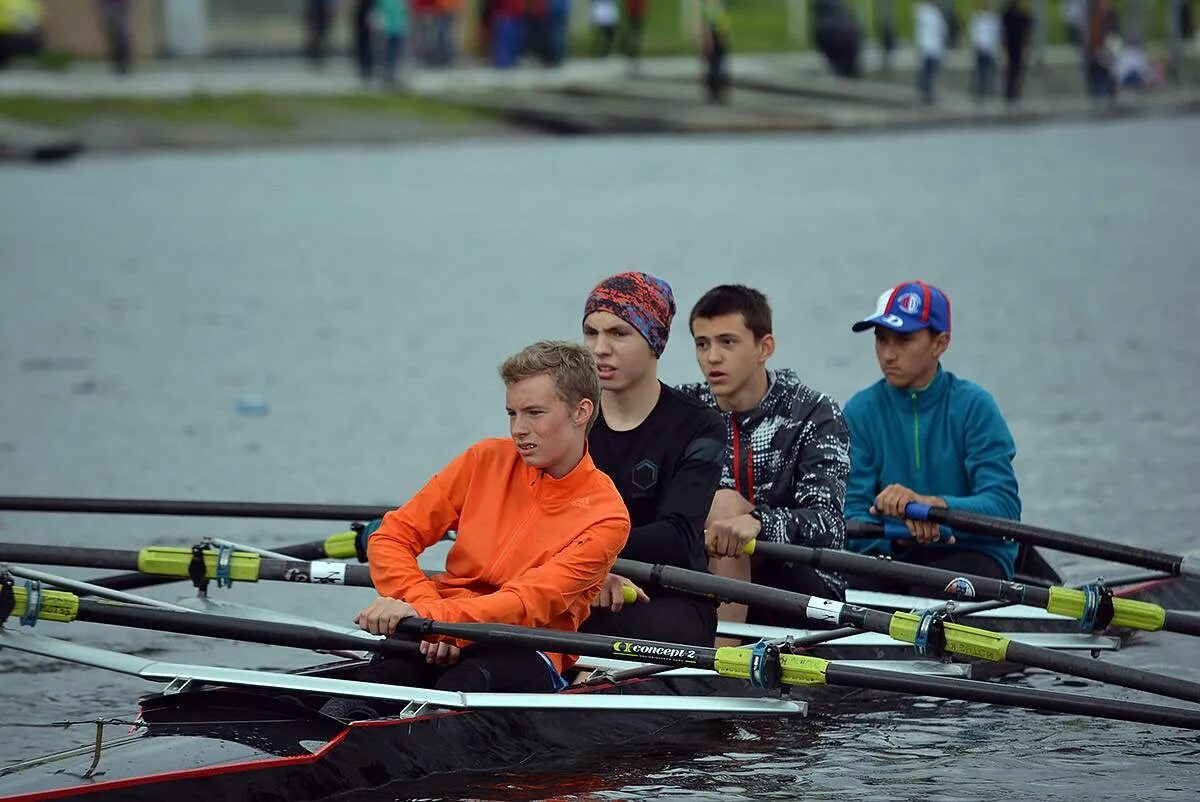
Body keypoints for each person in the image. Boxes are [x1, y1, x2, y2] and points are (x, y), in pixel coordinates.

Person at [330, 341, 630, 717]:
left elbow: (525, 604)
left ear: (581, 412)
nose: (519, 430)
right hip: (437, 624)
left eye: (534, 413)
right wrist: (430, 618)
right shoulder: (483, 460)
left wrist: (438, 623)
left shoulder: (606, 516)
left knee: (461, 689)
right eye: (512, 413)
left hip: (526, 644)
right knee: (360, 693)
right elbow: (391, 538)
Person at [678, 286, 850, 631]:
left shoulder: (814, 413)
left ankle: (714, 666)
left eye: (727, 342)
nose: (712, 357)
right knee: (718, 510)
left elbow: (829, 525)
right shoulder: (685, 410)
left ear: (764, 347)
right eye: (702, 344)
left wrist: (758, 522)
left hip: (802, 583)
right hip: (705, 573)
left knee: (725, 506)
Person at [843, 282, 1021, 590]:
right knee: (832, 584)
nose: (888, 354)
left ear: (939, 344)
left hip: (972, 553)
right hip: (894, 554)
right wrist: (902, 535)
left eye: (903, 340)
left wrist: (933, 508)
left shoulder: (974, 406)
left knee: (931, 590)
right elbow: (852, 513)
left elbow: (1003, 507)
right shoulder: (860, 411)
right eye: (881, 340)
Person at [580, 273, 725, 647]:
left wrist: (582, 553)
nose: (599, 348)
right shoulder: (573, 418)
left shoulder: (699, 425)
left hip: (672, 599)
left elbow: (676, 536)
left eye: (618, 333)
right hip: (582, 583)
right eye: (591, 333)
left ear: (654, 342)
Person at [914, 0, 948, 104]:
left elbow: (942, 29)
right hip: (927, 47)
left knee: (931, 71)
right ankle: (926, 92)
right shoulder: (923, 12)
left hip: (934, 47)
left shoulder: (935, 13)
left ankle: (927, 91)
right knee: (927, 71)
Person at [700, 0, 731, 103]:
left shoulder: (717, 3)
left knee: (718, 66)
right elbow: (708, 23)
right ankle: (714, 93)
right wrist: (708, 40)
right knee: (714, 67)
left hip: (720, 36)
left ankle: (718, 92)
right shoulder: (710, 4)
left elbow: (722, 20)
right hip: (714, 37)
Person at [1001, 0, 1032, 102]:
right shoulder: (1009, 15)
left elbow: (1028, 24)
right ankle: (1010, 93)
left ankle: (1013, 92)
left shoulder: (1016, 15)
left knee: (1015, 71)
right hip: (1013, 46)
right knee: (1013, 71)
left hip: (1016, 46)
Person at [969, 1, 1000, 100]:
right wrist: (975, 44)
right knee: (980, 71)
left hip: (990, 49)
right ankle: (980, 92)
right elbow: (974, 32)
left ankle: (988, 92)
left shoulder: (994, 19)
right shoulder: (979, 18)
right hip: (981, 48)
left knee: (990, 72)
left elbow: (996, 34)